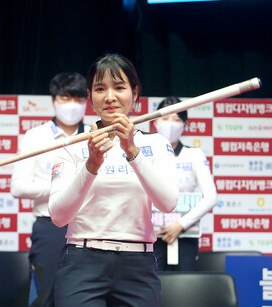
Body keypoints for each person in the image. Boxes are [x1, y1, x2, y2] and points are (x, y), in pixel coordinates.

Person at [48, 54, 179, 306]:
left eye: (119, 87)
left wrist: (132, 152)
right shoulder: (72, 146)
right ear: (90, 97)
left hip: (138, 265)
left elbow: (168, 203)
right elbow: (59, 217)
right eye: (100, 89)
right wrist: (90, 166)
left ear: (135, 92)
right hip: (81, 262)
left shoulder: (156, 143)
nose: (110, 97)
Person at [11, 72, 89, 307]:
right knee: (42, 296)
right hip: (48, 228)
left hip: (88, 227)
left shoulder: (97, 133)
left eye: (78, 99)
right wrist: (63, 188)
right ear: (54, 100)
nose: (72, 105)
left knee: (84, 297)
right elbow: (18, 187)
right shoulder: (36, 136)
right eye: (66, 98)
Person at [153, 96, 217, 271]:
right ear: (155, 123)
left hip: (185, 233)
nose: (170, 124)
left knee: (183, 287)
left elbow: (211, 197)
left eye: (176, 119)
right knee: (150, 288)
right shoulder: (144, 154)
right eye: (165, 118)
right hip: (150, 235)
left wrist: (180, 225)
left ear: (185, 124)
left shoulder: (194, 155)